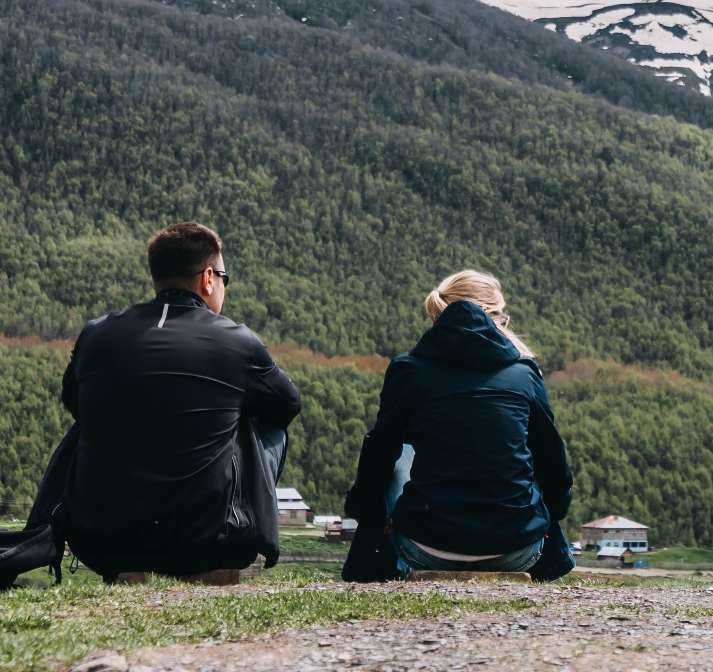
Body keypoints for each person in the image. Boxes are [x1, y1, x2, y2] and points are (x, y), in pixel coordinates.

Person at [57, 222, 303, 582]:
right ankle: (229, 540)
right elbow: (286, 407)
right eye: (224, 277)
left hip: (105, 540)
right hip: (208, 541)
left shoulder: (96, 334)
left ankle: (129, 562)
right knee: (264, 426)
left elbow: (75, 403)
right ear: (208, 278)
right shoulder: (237, 341)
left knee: (93, 420)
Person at [342, 270, 573, 581]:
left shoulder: (408, 372)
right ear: (494, 316)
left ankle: (378, 570)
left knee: (395, 457)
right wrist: (550, 516)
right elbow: (555, 469)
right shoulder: (525, 374)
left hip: (424, 547)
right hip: (518, 550)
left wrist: (363, 513)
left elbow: (375, 461)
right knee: (533, 455)